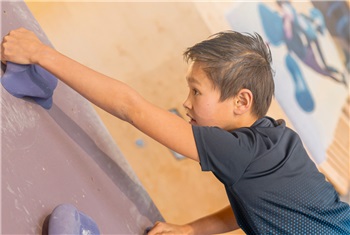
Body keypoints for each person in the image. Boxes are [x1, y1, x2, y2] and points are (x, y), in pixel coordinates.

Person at [2, 28, 349, 235]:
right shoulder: (276, 140)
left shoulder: (238, 152)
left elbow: (130, 108)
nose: (187, 103)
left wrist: (42, 54)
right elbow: (255, 208)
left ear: (242, 101)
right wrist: (192, 230)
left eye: (196, 92)